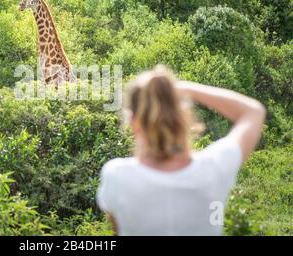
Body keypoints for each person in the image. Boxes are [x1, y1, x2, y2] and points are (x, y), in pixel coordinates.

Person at [96, 65, 266, 235]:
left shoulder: (116, 175)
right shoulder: (213, 169)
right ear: (185, 116)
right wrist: (184, 88)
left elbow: (117, 229)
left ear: (133, 123)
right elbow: (253, 111)